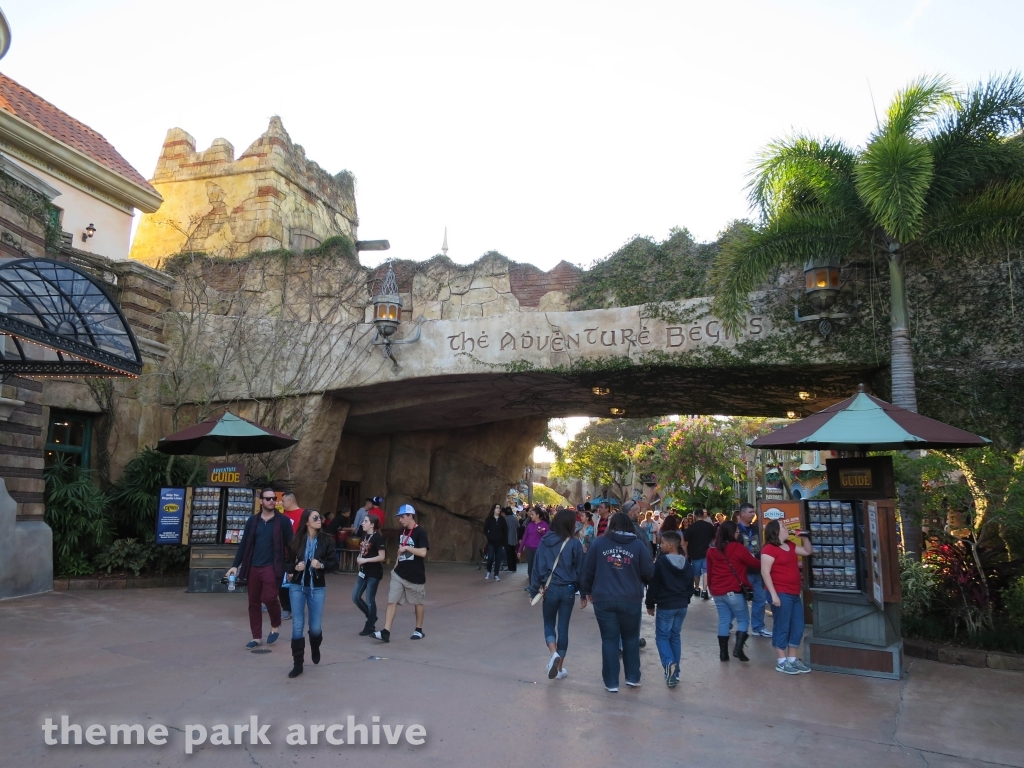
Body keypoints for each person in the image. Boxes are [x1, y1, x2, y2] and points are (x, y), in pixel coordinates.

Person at [579, 512, 655, 692]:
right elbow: (649, 571)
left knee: (609, 639)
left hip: (603, 598)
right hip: (630, 599)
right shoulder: (637, 545)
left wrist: (587, 591)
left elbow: (587, 569)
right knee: (630, 638)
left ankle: (611, 682)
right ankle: (633, 677)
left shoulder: (599, 543)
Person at [226, 489, 294, 649]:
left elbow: (291, 546)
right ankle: (256, 637)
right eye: (268, 498)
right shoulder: (253, 521)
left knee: (270, 597)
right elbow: (244, 545)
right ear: (261, 501)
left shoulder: (282, 521)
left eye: (273, 498)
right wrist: (235, 565)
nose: (271, 501)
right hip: (253, 566)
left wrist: (291, 568)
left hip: (272, 565)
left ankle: (275, 624)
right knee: (253, 602)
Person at [529, 509, 585, 681]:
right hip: (568, 589)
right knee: (563, 627)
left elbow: (537, 567)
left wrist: (533, 590)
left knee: (549, 623)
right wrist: (583, 593)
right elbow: (581, 570)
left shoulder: (545, 541)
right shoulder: (575, 544)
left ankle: (553, 654)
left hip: (550, 588)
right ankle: (559, 668)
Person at [284, 509, 338, 677]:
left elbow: (334, 563)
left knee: (315, 628)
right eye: (315, 517)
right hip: (297, 587)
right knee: (297, 625)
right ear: (306, 521)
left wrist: (321, 565)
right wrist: (294, 567)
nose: (319, 519)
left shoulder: (327, 540)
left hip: (317, 588)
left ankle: (315, 645)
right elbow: (285, 563)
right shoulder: (296, 540)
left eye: (320, 517)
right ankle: (298, 664)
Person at [761, 521, 813, 674]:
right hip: (780, 592)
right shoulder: (769, 549)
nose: (787, 528)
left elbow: (807, 551)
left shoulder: (790, 545)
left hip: (794, 592)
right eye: (783, 527)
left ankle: (792, 659)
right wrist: (773, 594)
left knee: (798, 625)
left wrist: (804, 537)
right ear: (776, 532)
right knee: (782, 625)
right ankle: (781, 660)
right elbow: (765, 572)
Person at [374, 504, 429, 643]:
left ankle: (419, 629)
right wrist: (395, 566)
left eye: (402, 517)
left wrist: (407, 547)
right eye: (399, 517)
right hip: (399, 573)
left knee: (418, 602)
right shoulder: (401, 532)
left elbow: (423, 552)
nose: (400, 520)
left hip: (415, 575)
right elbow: (400, 551)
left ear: (410, 516)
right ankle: (386, 631)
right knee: (391, 601)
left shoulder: (420, 532)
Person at [706, 521, 760, 662]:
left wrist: (711, 588)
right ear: (731, 533)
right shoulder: (737, 548)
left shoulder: (712, 550)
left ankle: (723, 654)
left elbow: (710, 572)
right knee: (743, 620)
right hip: (734, 590)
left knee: (724, 621)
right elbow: (755, 564)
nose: (738, 534)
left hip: (718, 591)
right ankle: (738, 649)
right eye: (736, 531)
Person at [645, 530, 693, 688]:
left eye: (663, 543)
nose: (660, 545)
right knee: (675, 637)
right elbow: (689, 585)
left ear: (671, 544)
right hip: (681, 605)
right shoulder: (686, 563)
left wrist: (650, 603)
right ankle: (675, 673)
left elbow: (654, 584)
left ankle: (669, 663)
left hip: (666, 605)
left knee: (662, 637)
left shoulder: (662, 562)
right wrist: (686, 599)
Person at [737, 502, 772, 638]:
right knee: (739, 602)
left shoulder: (757, 529)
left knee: (760, 599)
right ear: (742, 514)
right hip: (742, 571)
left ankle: (758, 627)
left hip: (758, 569)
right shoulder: (736, 530)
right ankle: (736, 626)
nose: (753, 515)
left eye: (753, 512)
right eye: (750, 512)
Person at [353, 513, 386, 636]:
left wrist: (366, 560)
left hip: (374, 572)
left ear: (372, 524)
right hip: (363, 571)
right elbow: (363, 550)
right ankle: (372, 616)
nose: (362, 523)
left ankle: (370, 625)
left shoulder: (377, 538)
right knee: (355, 597)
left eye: (365, 521)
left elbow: (381, 556)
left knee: (369, 598)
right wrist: (360, 557)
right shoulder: (364, 535)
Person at [278, 491, 304, 620]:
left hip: (297, 552)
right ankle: (286, 608)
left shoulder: (303, 514)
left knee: (296, 581)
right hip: (282, 553)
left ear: (290, 501)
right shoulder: (282, 515)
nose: (281, 503)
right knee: (282, 581)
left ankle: (296, 607)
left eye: (283, 501)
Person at [683, 508, 716, 600]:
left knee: (696, 573)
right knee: (706, 571)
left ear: (694, 516)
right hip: (707, 552)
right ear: (703, 515)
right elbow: (714, 539)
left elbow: (686, 542)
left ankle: (697, 588)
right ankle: (705, 590)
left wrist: (686, 553)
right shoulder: (709, 526)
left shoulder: (691, 527)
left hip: (695, 553)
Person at [518, 506, 549, 588]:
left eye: (532, 514)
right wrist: (520, 550)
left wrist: (542, 532)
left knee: (538, 567)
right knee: (530, 567)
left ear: (537, 515)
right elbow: (525, 537)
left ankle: (539, 584)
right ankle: (532, 585)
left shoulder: (544, 525)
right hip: (529, 548)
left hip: (538, 549)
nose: (530, 516)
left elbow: (548, 537)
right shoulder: (529, 525)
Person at [483, 504, 508, 581]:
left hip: (500, 543)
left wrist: (504, 542)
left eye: (499, 508)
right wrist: (489, 537)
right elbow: (485, 530)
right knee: (490, 557)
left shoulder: (502, 520)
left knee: (498, 558)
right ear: (493, 509)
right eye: (497, 508)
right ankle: (488, 571)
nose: (498, 509)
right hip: (491, 542)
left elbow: (505, 531)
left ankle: (496, 574)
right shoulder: (489, 519)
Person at [504, 507, 519, 572]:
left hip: (508, 539)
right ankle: (514, 567)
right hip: (514, 538)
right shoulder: (515, 518)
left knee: (509, 554)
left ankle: (510, 567)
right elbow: (518, 526)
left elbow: (504, 529)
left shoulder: (506, 519)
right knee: (513, 553)